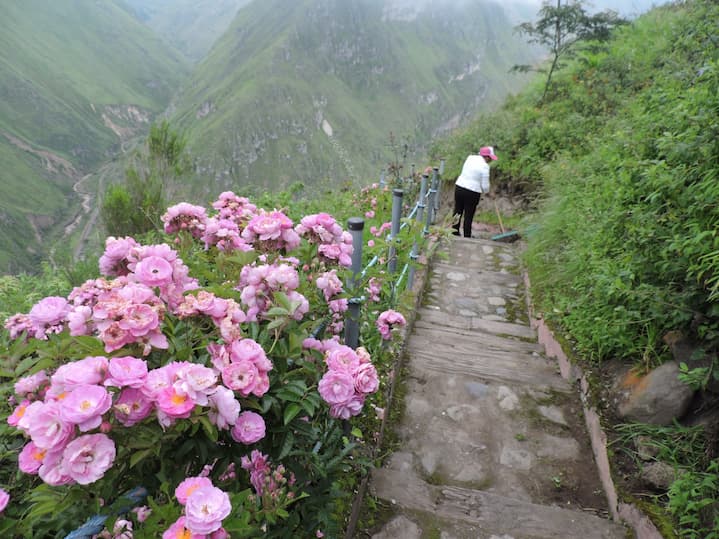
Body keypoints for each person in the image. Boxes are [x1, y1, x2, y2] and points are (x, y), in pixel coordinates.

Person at [452, 146, 497, 238]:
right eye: (491, 158)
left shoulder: (470, 158)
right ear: (487, 157)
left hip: (459, 187)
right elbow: (485, 185)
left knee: (457, 211)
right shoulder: (485, 166)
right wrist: (489, 193)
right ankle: (467, 236)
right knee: (469, 214)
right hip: (472, 192)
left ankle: (454, 232)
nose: (491, 161)